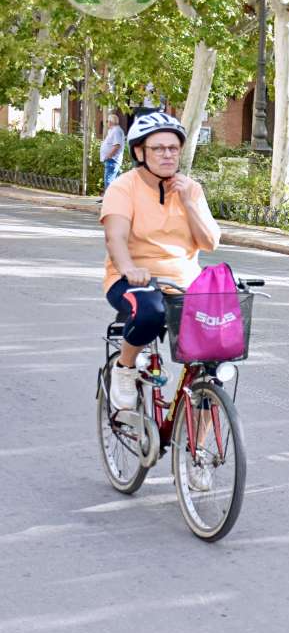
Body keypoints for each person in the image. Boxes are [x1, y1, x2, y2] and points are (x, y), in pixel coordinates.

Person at [100, 112, 221, 414]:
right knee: (149, 312)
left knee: (215, 355)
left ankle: (199, 452)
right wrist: (129, 269)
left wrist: (190, 204)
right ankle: (125, 369)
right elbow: (115, 237)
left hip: (184, 284)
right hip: (134, 279)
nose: (168, 154)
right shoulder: (123, 187)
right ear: (140, 152)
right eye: (159, 148)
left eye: (173, 148)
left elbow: (210, 242)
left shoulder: (190, 189)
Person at [100, 113, 126, 190]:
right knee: (112, 180)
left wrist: (109, 156)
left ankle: (109, 199)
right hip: (112, 160)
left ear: (111, 122)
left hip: (113, 160)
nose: (107, 122)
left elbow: (117, 145)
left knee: (109, 180)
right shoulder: (113, 130)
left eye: (107, 121)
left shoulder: (116, 131)